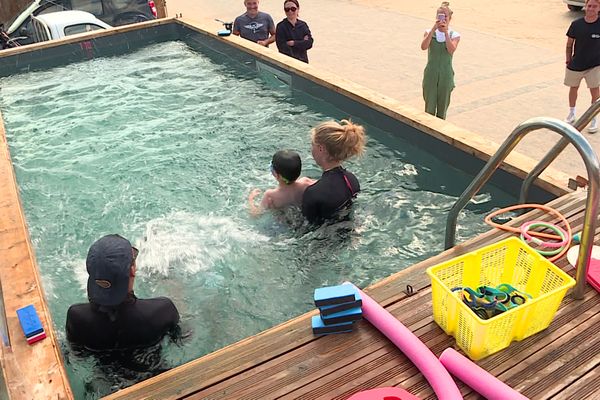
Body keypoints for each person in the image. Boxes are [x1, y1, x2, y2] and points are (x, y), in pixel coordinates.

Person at [66, 234, 180, 351]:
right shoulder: (161, 310)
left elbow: (77, 353)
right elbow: (182, 339)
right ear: (132, 270)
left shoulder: (77, 317)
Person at [302, 119, 366, 224]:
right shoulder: (352, 180)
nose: (311, 149)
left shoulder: (313, 193)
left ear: (321, 148)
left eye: (312, 145)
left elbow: (304, 229)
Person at [564, 0, 600, 133]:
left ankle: (593, 118)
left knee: (595, 91)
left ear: (599, 9)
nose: (591, 8)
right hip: (576, 64)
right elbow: (569, 44)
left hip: (595, 66)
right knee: (573, 88)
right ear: (585, 7)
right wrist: (568, 60)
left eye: (594, 6)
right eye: (589, 6)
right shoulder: (576, 24)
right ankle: (571, 114)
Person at [421, 2, 460, 120]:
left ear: (449, 18)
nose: (442, 19)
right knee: (429, 108)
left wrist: (446, 32)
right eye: (439, 16)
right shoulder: (429, 32)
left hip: (446, 75)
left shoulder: (455, 35)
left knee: (442, 108)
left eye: (445, 16)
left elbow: (451, 50)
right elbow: (423, 46)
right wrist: (434, 29)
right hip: (431, 74)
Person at [249, 149, 315, 215]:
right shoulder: (306, 183)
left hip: (283, 223)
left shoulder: (270, 195)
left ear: (277, 175)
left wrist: (251, 199)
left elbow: (256, 214)